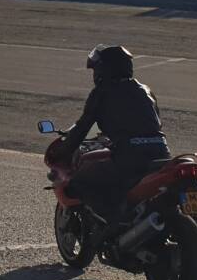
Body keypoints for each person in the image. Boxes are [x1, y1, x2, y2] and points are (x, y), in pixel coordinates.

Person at [58, 44, 171, 231]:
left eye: (96, 68)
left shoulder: (102, 92)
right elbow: (153, 123)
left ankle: (116, 222)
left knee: (80, 180)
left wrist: (64, 150)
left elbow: (83, 126)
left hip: (130, 157)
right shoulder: (145, 90)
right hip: (161, 152)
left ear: (104, 69)